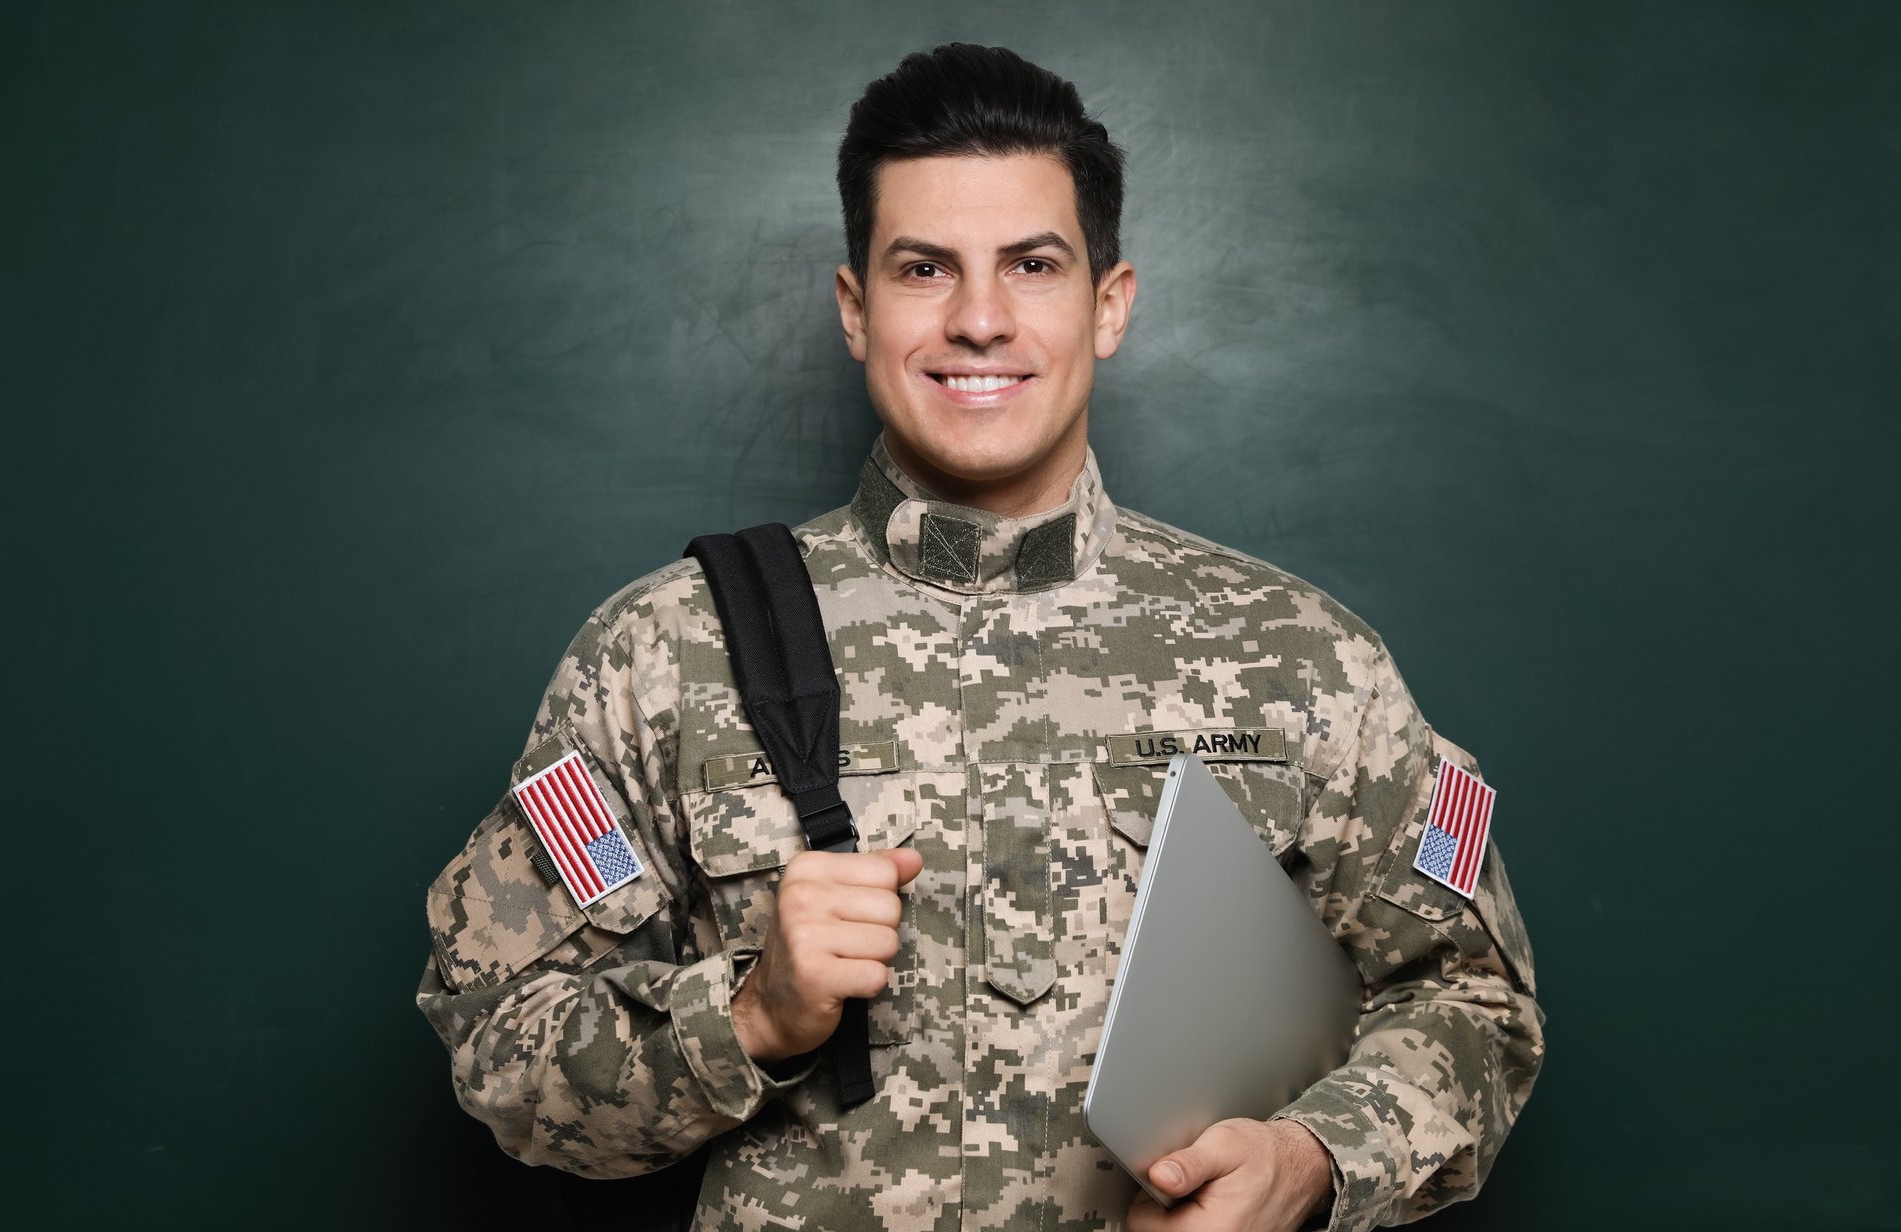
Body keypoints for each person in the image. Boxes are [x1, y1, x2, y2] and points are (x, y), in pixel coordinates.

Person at [417, 42, 1544, 1232]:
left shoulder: (1303, 658)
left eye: (1032, 264)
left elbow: (1474, 1001)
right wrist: (749, 1013)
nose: (978, 319)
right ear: (855, 309)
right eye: (922, 268)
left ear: (1107, 304)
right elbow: (499, 1043)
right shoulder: (662, 651)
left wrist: (1311, 1156)